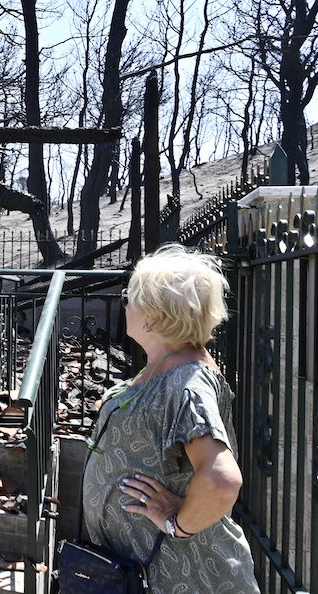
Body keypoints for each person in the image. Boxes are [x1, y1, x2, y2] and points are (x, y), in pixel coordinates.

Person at [82, 244, 258, 592]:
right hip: (137, 568)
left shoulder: (187, 382)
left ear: (154, 317)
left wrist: (178, 524)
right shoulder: (168, 367)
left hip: (181, 576)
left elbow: (221, 480)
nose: (124, 303)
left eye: (129, 296)